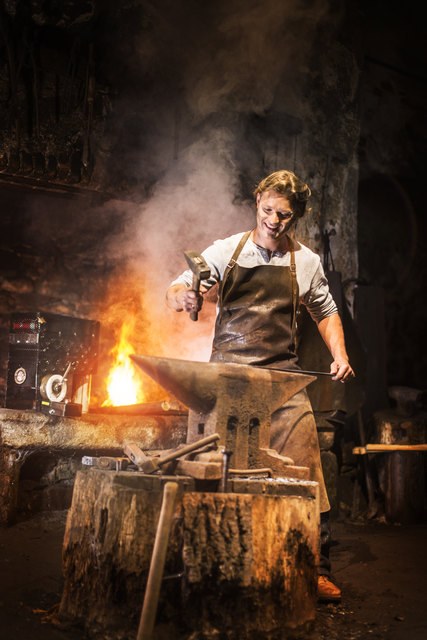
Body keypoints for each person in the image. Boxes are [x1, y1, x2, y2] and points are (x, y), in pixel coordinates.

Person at [166, 169, 354, 602]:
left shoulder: (304, 261)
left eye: (284, 215)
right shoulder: (226, 251)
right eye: (267, 210)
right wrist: (185, 297)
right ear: (257, 204)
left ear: (296, 217)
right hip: (225, 379)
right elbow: (176, 287)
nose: (273, 220)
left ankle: (314, 567)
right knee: (209, 470)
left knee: (307, 468)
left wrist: (339, 355)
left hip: (281, 381)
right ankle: (197, 560)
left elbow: (326, 312)